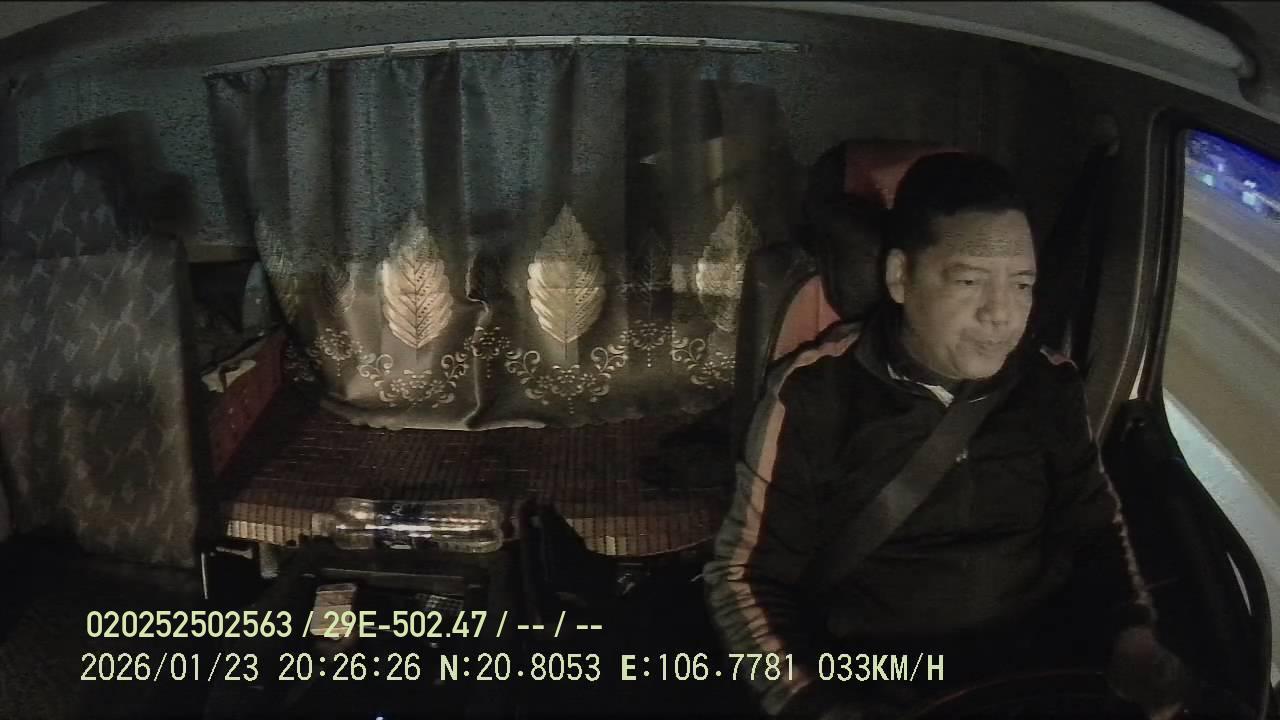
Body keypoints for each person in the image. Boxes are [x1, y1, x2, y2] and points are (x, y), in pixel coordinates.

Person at [704, 153, 1189, 720]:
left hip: (1034, 672)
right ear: (900, 277)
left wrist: (1133, 637)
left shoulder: (1049, 383)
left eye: (1022, 284)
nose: (1001, 314)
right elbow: (744, 579)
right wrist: (816, 703)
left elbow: (1094, 527)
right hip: (879, 680)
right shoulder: (815, 393)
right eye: (969, 281)